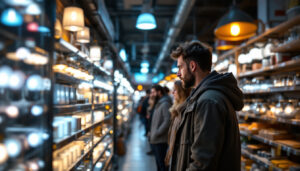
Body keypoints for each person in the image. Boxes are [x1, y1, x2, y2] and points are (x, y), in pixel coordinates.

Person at [169, 41, 244, 171]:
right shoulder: (202, 97)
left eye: (180, 67)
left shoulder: (208, 102)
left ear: (192, 66)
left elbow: (202, 164)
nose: (178, 74)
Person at [165, 80, 191, 167]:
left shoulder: (185, 111)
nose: (172, 92)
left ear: (182, 92)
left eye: (175, 90)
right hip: (175, 156)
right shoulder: (177, 111)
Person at [149, 84, 172, 171]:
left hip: (160, 140)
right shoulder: (158, 103)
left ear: (159, 92)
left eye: (154, 92)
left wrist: (156, 132)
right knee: (159, 164)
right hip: (156, 139)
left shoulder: (165, 104)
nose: (152, 94)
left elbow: (167, 121)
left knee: (162, 165)